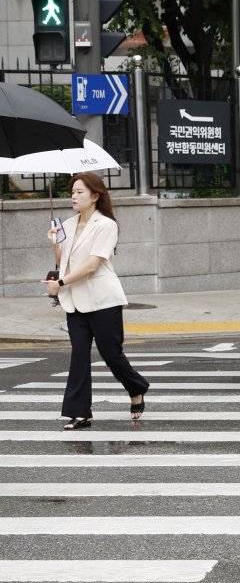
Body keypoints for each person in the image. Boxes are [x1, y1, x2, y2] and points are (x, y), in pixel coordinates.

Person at [44, 172, 149, 430]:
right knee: (79, 356)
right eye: (72, 192)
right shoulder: (68, 225)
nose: (74, 196)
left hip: (103, 300)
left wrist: (60, 284)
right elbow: (63, 262)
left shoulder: (106, 225)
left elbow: (92, 266)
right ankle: (81, 413)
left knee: (111, 354)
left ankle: (136, 387)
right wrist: (54, 243)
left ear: (94, 196)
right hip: (74, 302)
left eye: (79, 192)